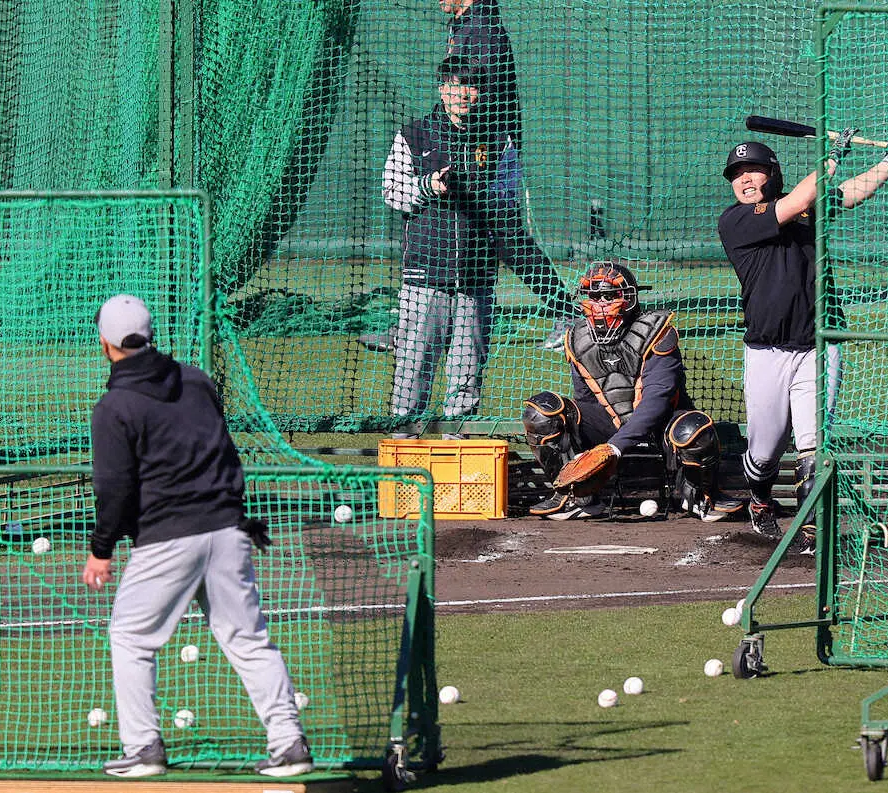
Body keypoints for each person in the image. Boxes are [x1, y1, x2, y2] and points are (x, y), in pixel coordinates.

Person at [81, 295, 313, 779]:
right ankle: (289, 743)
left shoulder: (113, 406)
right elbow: (223, 451)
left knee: (130, 636)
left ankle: (143, 748)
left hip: (168, 537)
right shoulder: (196, 380)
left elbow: (113, 486)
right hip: (228, 529)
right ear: (149, 335)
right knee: (248, 639)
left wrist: (101, 549)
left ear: (106, 343)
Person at [717, 130, 888, 554]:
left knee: (814, 446)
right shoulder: (735, 221)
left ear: (773, 174)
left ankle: (810, 536)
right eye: (738, 175)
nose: (745, 180)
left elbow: (846, 194)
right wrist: (831, 156)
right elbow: (802, 199)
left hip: (820, 344)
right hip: (766, 350)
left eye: (754, 171)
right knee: (764, 454)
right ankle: (761, 498)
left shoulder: (808, 208)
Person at [361, 0, 577, 356]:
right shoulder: (466, 25)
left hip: (481, 151)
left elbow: (478, 98)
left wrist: (480, 151)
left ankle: (567, 313)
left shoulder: (481, 32)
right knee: (473, 232)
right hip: (470, 146)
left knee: (504, 236)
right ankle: (408, 326)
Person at [521, 261, 743, 522]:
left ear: (627, 298)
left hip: (660, 426)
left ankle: (696, 496)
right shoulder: (577, 338)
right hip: (611, 422)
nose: (600, 303)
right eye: (593, 296)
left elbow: (657, 401)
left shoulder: (658, 332)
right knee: (542, 413)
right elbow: (584, 401)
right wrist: (582, 448)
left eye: (608, 295)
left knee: (692, 429)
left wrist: (615, 448)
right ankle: (575, 496)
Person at [381, 55, 510, 428]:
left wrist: (481, 195)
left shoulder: (497, 139)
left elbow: (508, 198)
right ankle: (405, 459)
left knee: (466, 381)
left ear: (481, 92)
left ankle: (458, 458)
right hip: (424, 278)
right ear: (441, 88)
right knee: (412, 374)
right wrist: (430, 186)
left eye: (470, 86)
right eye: (454, 85)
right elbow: (391, 191)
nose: (462, 94)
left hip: (476, 281)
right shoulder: (414, 134)